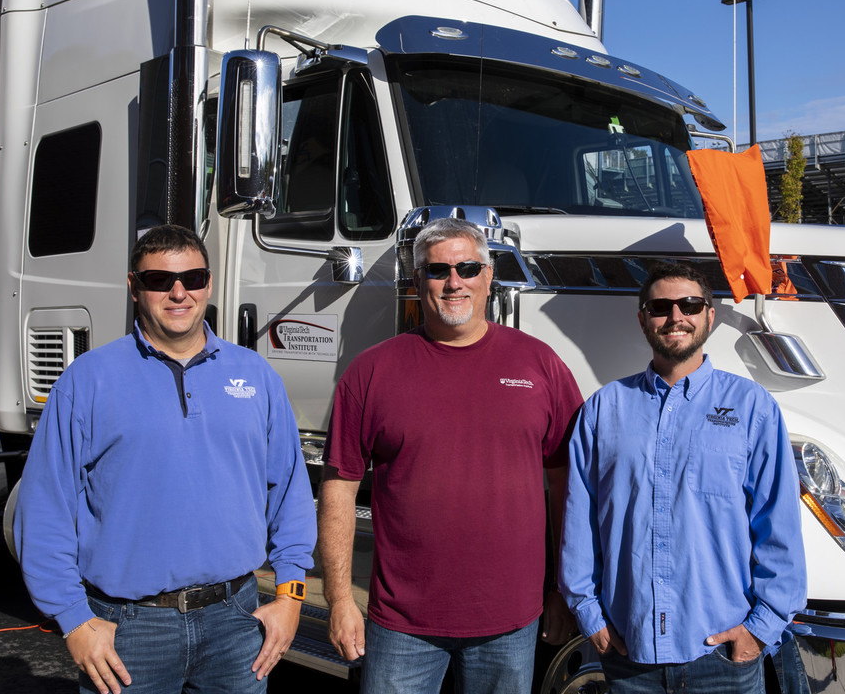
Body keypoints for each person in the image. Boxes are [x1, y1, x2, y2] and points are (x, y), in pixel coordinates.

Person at [14, 224, 316, 694]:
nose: (179, 292)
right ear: (134, 287)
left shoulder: (255, 375)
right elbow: (45, 508)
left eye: (192, 278)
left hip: (237, 623)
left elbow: (290, 494)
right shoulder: (87, 380)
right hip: (129, 630)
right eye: (159, 281)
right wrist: (73, 620)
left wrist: (291, 594)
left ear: (209, 284)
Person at [318, 217, 582, 694]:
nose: (454, 281)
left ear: (488, 276)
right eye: (439, 270)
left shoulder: (540, 365)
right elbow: (339, 489)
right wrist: (339, 599)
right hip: (402, 622)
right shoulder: (372, 372)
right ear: (418, 281)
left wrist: (564, 591)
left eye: (467, 267)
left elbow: (568, 485)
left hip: (510, 618)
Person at [559, 262, 805, 693]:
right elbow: (579, 524)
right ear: (642, 319)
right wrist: (590, 617)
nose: (676, 317)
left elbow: (778, 526)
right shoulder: (602, 411)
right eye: (660, 307)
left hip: (723, 657)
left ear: (710, 315)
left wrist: (761, 630)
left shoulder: (752, 408)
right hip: (628, 655)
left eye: (690, 304)